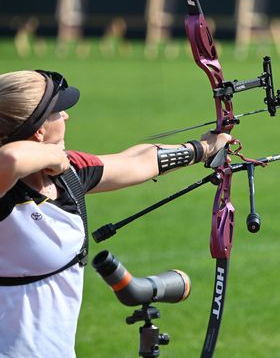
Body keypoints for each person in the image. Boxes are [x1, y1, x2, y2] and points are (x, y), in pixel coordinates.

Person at [0, 70, 231, 357]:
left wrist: (204, 148)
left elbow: (136, 162)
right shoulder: (8, 192)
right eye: (58, 112)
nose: (67, 116)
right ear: (39, 130)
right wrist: (53, 156)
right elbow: (9, 160)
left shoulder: (67, 176)